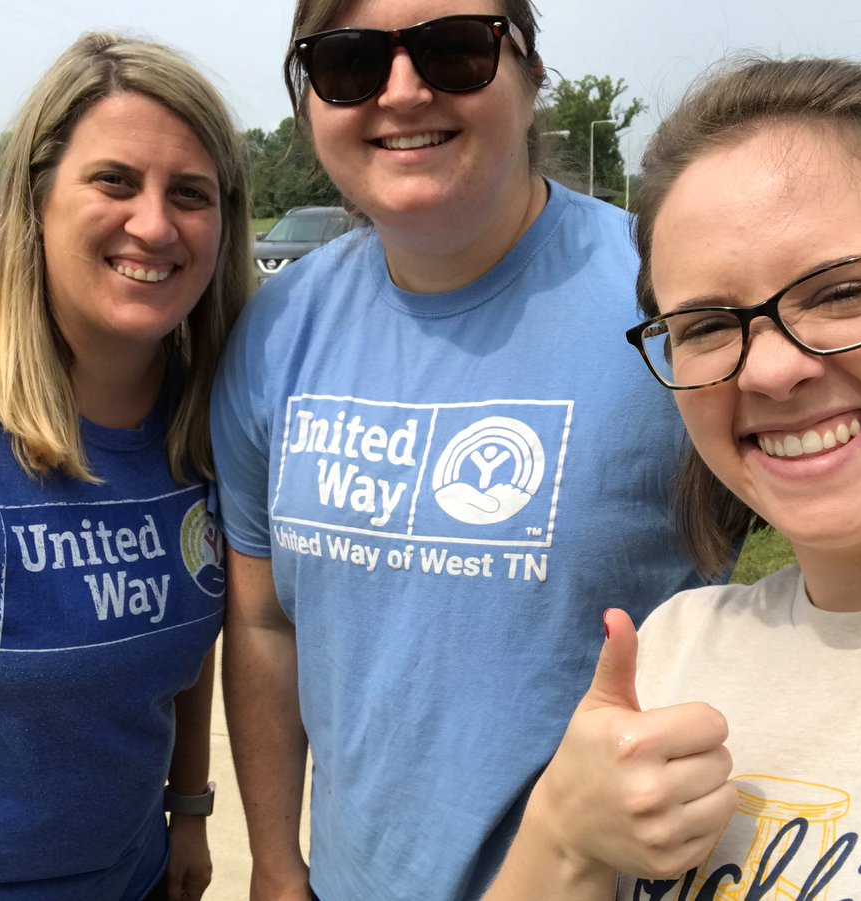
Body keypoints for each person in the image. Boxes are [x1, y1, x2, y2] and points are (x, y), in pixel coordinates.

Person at [485, 56, 861, 899]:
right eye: (708, 324)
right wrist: (561, 832)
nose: (773, 369)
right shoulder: (677, 648)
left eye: (841, 292)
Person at [209, 2, 711, 899]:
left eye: (454, 49)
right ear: (309, 99)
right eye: (349, 62)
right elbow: (262, 623)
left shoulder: (669, 303)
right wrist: (277, 865)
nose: (403, 92)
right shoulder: (278, 329)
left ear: (531, 74)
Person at [0, 32, 251, 900]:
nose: (155, 224)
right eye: (114, 180)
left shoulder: (206, 416)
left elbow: (187, 644)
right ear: (34, 201)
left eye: (190, 193)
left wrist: (189, 807)